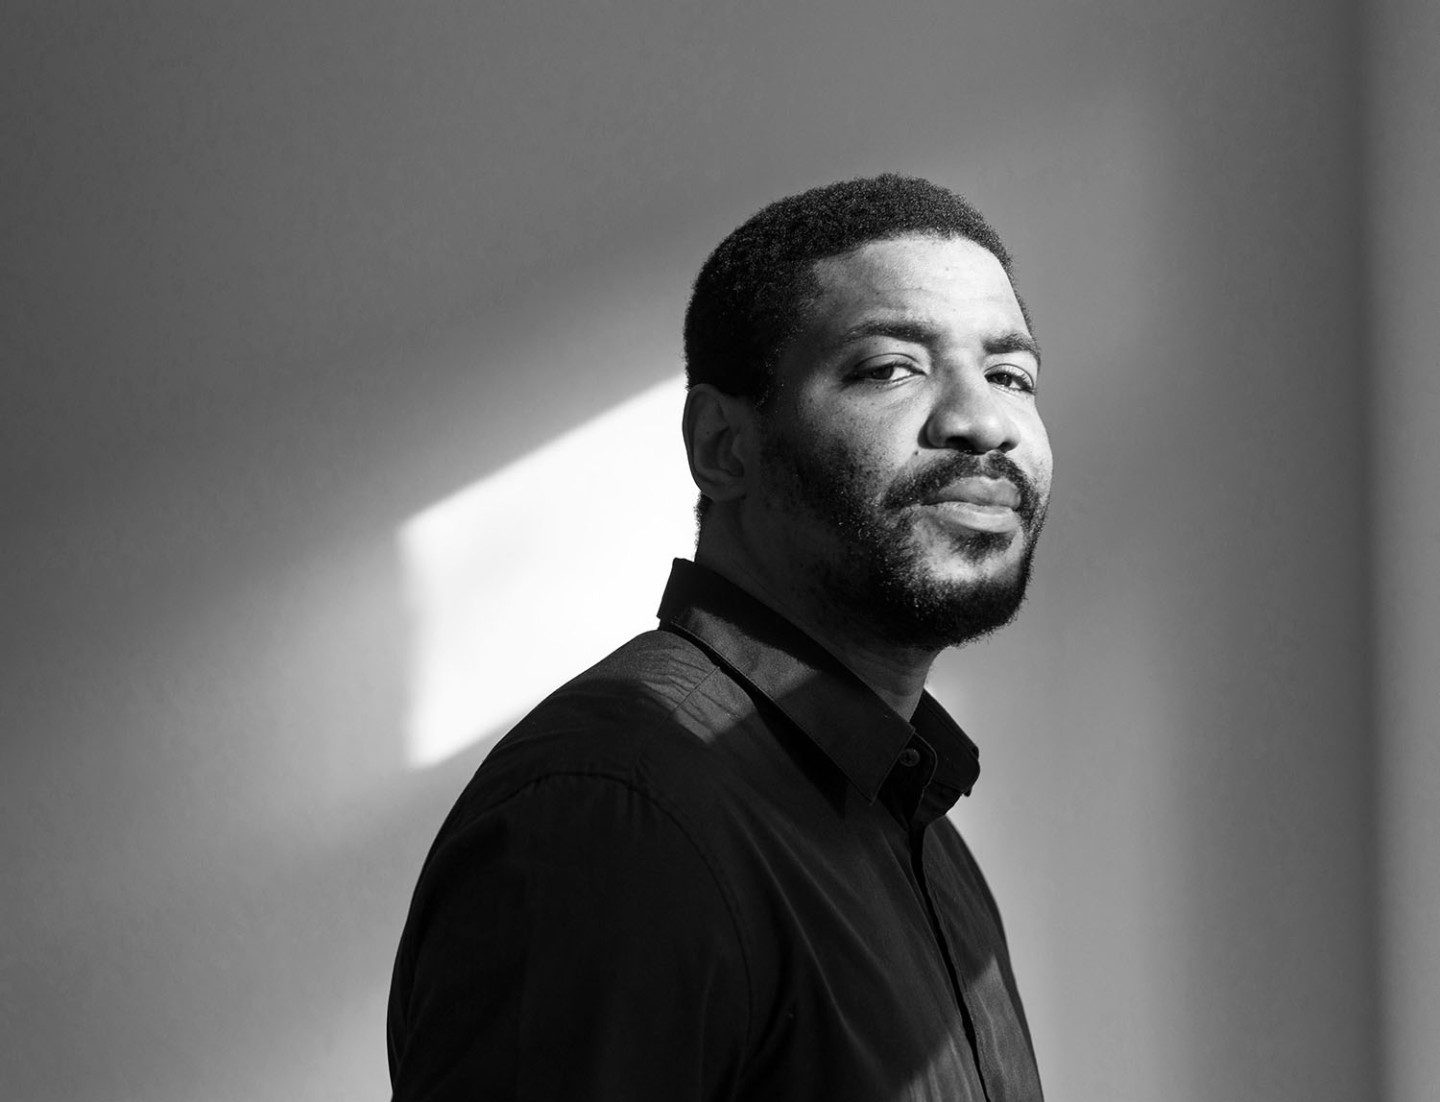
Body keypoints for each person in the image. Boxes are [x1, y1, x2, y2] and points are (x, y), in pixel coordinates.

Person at [387, 174, 1052, 1101]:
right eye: (891, 367)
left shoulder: (916, 834)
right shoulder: (618, 814)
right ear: (722, 446)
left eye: (1011, 375)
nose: (982, 421)